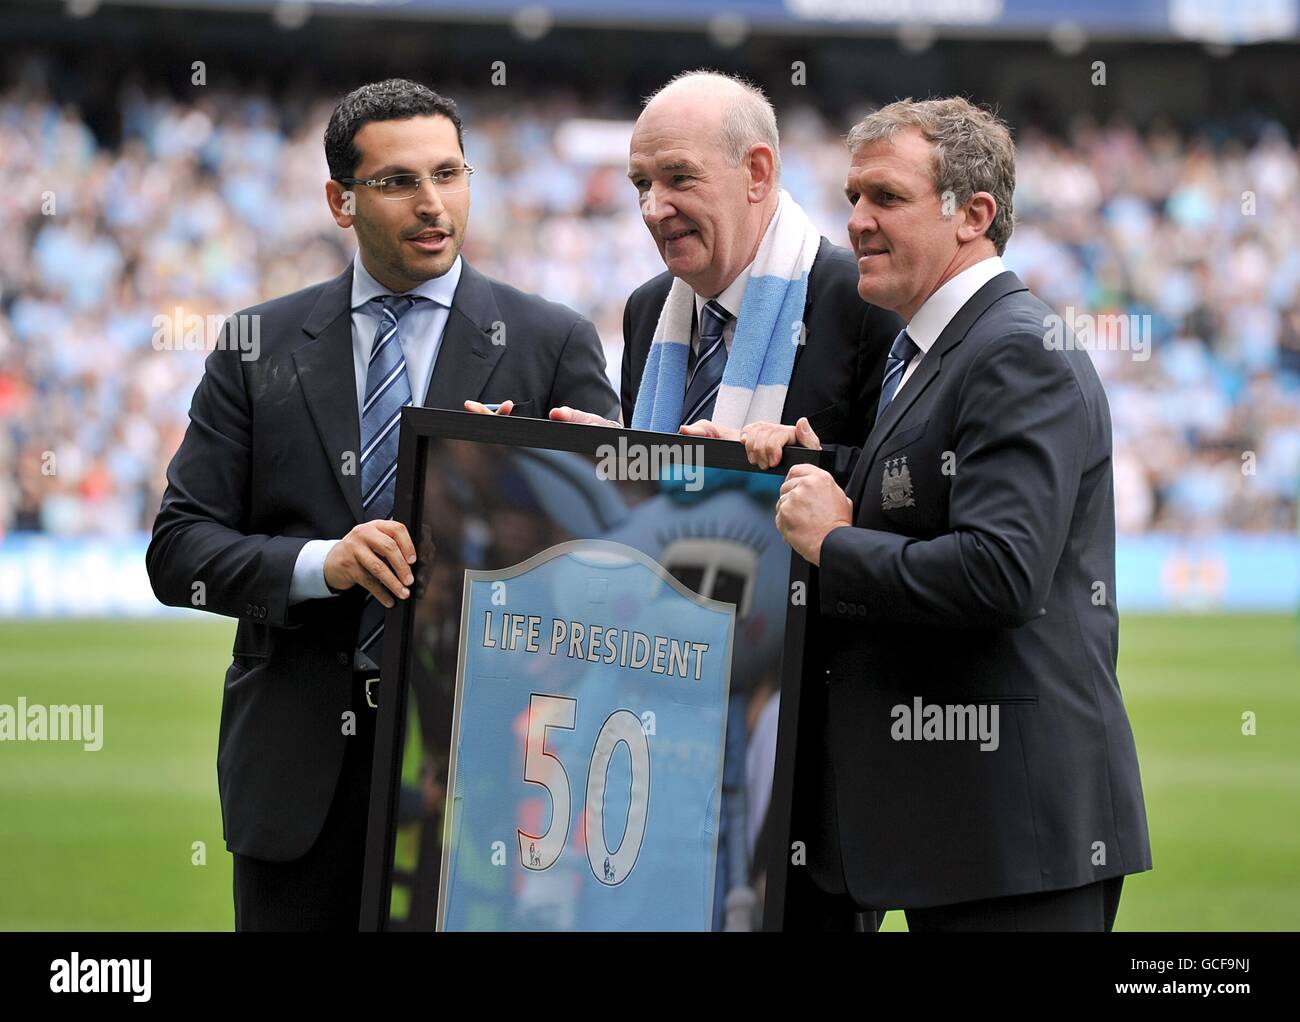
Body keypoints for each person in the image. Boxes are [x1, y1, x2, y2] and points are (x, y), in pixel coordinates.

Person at [145, 78, 617, 931]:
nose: (433, 203)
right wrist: (319, 565)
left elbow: (612, 564)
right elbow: (178, 552)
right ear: (340, 200)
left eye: (449, 173)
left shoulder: (551, 343)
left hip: (488, 779)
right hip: (297, 782)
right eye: (398, 181)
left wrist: (521, 493)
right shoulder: (259, 348)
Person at [744, 97, 1152, 931]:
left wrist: (835, 542)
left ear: (974, 215)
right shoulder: (937, 345)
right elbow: (924, 488)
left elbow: (1000, 572)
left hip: (1014, 836)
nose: (856, 221)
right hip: (963, 830)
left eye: (885, 198)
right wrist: (810, 463)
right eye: (853, 197)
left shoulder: (1010, 350)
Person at [484, 70, 900, 445]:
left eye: (680, 177)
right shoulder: (646, 309)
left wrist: (793, 465)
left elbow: (893, 495)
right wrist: (612, 452)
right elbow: (657, 492)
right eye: (642, 184)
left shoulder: (862, 300)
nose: (652, 208)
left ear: (756, 172)